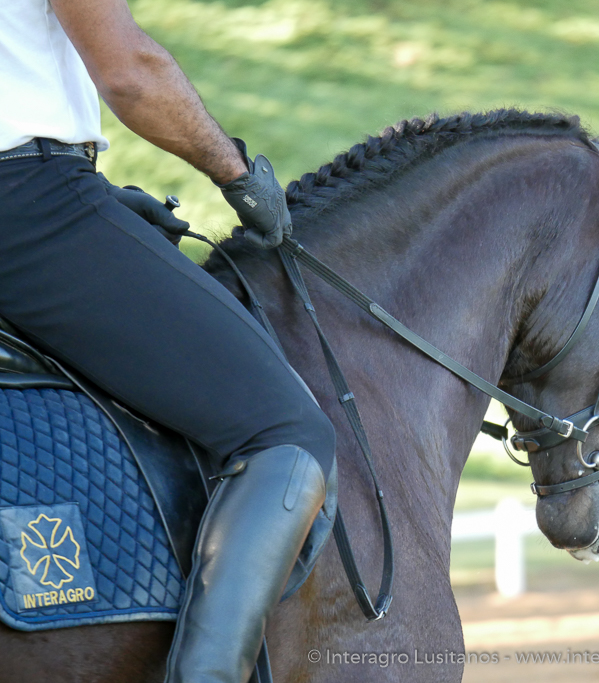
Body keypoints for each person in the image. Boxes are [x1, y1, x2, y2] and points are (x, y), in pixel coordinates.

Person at [0, 0, 338, 680]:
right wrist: (237, 174)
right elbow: (130, 72)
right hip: (25, 203)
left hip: (43, 190)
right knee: (288, 431)